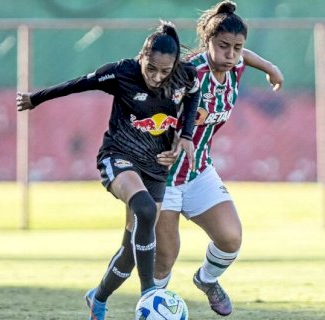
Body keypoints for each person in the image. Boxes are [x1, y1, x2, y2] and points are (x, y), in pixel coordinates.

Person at [16, 21, 201, 320]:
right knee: (144, 208)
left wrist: (187, 134)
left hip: (155, 166)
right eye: (150, 68)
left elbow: (194, 95)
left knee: (130, 251)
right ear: (141, 57)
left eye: (164, 72)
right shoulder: (121, 72)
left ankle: (98, 297)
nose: (156, 77)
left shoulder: (185, 75)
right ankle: (149, 294)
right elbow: (78, 83)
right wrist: (36, 98)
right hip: (119, 156)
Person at [152, 1, 284, 317]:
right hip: (162, 176)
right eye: (223, 46)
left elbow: (245, 59)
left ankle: (207, 280)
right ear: (207, 42)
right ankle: (151, 307)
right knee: (166, 255)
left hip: (198, 172)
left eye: (237, 47)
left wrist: (270, 67)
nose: (231, 54)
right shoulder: (187, 73)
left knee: (230, 238)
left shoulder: (235, 65)